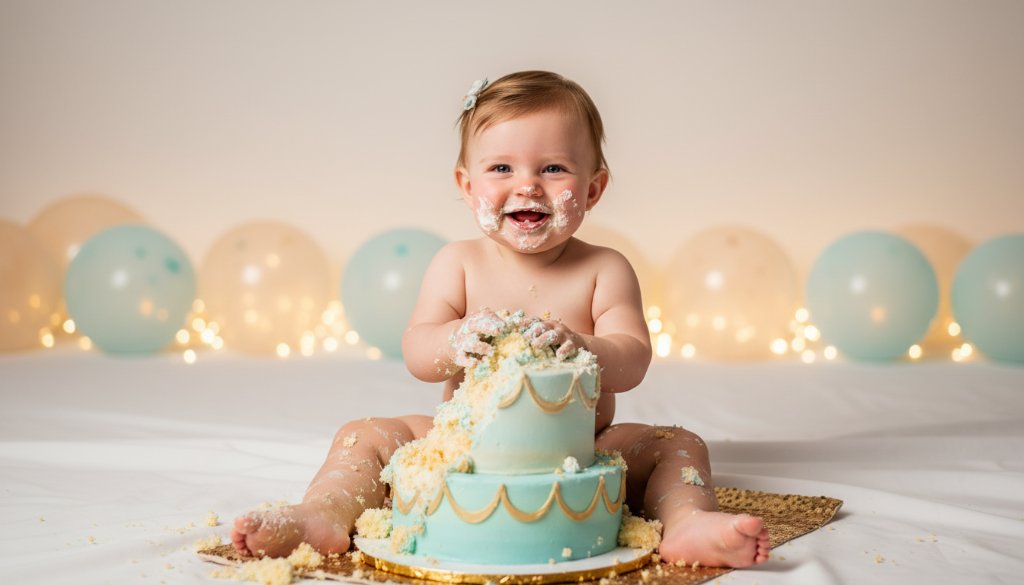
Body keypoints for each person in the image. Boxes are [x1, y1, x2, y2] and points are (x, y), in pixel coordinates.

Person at [231, 70, 770, 568]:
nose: (528, 185)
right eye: (502, 168)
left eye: (553, 168)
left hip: (579, 449)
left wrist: (584, 345)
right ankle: (322, 515)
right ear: (468, 187)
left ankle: (688, 522)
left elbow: (632, 359)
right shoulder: (457, 264)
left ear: (593, 188)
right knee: (363, 435)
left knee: (680, 443)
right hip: (462, 447)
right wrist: (454, 339)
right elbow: (419, 352)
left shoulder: (604, 268)